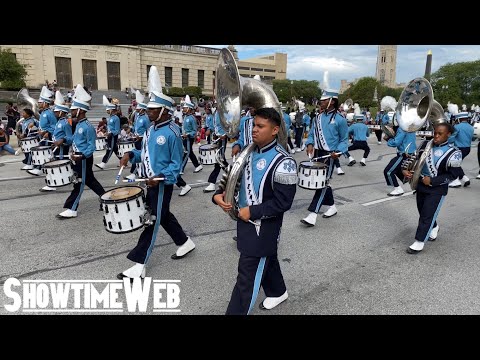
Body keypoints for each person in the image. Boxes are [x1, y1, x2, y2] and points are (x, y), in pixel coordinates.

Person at [213, 107, 297, 315]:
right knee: (267, 258)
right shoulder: (247, 153)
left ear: (275, 130)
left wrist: (253, 211)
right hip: (246, 223)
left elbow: (283, 202)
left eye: (261, 126)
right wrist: (218, 194)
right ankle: (278, 291)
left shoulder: (284, 162)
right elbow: (231, 178)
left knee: (246, 279)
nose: (254, 130)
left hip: (263, 229)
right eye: (254, 126)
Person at [118, 66, 196, 280]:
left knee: (152, 220)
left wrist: (161, 177)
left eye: (152, 109)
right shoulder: (151, 130)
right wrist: (130, 155)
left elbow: (176, 163)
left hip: (161, 184)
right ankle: (184, 242)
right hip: (150, 182)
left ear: (164, 111)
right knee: (164, 216)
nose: (148, 112)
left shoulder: (172, 132)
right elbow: (145, 154)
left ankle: (139, 264)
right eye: (148, 109)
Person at [402, 123, 462, 254]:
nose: (436, 136)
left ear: (448, 134)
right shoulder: (425, 145)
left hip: (437, 189)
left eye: (440, 134)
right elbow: (414, 158)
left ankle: (419, 241)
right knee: (423, 211)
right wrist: (405, 169)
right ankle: (434, 227)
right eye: (435, 133)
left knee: (427, 215)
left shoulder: (454, 153)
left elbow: (453, 175)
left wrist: (433, 181)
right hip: (421, 184)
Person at [300, 89, 348, 226]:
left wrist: (338, 152)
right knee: (321, 182)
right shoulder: (317, 118)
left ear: (332, 101)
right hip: (317, 153)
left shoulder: (340, 119)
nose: (321, 102)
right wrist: (309, 143)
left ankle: (312, 214)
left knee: (322, 183)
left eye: (324, 100)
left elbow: (345, 140)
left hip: (330, 155)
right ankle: (332, 206)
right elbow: (311, 134)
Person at [56, 84, 105, 219]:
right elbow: (74, 140)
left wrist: (81, 155)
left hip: (83, 159)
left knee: (79, 182)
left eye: (73, 110)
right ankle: (105, 199)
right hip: (78, 158)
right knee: (90, 181)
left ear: (80, 111)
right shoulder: (78, 124)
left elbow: (91, 146)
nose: (71, 112)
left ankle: (72, 208)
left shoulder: (88, 127)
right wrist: (63, 140)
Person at [40, 90, 73, 192]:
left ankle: (54, 184)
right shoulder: (60, 122)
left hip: (62, 148)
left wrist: (62, 141)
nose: (53, 112)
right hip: (57, 146)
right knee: (57, 164)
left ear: (61, 112)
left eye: (56, 111)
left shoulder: (65, 123)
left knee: (57, 165)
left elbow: (70, 138)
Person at [27, 86, 56, 176]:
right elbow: (42, 124)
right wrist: (35, 124)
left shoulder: (49, 113)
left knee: (44, 154)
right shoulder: (43, 112)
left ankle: (40, 169)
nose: (38, 104)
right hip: (43, 136)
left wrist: (46, 132)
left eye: (40, 102)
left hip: (48, 137)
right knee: (40, 153)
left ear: (45, 103)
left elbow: (54, 126)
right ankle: (38, 168)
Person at [383, 127, 417, 196]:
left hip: (404, 154)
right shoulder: (412, 128)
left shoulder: (402, 128)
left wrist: (388, 139)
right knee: (400, 171)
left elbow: (396, 142)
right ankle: (419, 187)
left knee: (388, 171)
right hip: (411, 153)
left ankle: (398, 189)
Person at [125, 91, 150, 181]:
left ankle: (133, 173)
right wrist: (130, 130)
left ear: (143, 109)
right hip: (137, 139)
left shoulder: (146, 118)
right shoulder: (138, 116)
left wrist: (142, 137)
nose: (137, 109)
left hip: (142, 140)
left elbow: (148, 130)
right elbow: (136, 127)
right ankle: (139, 172)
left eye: (138, 108)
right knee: (139, 156)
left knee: (140, 156)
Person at [447, 112, 474, 188]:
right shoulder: (470, 127)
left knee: (453, 164)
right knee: (457, 164)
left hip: (458, 148)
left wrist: (446, 140)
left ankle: (455, 181)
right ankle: (465, 178)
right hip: (467, 148)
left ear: (459, 119)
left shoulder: (457, 127)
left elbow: (452, 137)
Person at [203, 108, 227, 192]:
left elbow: (230, 124)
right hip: (217, 137)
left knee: (219, 159)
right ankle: (233, 175)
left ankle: (212, 182)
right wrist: (211, 130)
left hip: (222, 137)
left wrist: (225, 134)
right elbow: (215, 125)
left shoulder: (224, 111)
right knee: (221, 160)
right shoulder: (216, 112)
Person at [95, 96, 120, 169]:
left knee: (109, 150)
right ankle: (123, 161)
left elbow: (117, 130)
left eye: (108, 110)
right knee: (115, 149)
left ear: (112, 110)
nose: (107, 111)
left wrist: (111, 133)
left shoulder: (116, 118)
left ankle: (103, 163)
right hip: (109, 136)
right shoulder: (110, 118)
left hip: (112, 136)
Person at [180, 95, 203, 174]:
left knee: (187, 153)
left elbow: (194, 130)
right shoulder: (185, 117)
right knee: (189, 153)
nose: (183, 109)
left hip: (189, 138)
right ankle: (197, 165)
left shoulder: (192, 118)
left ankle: (181, 169)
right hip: (184, 138)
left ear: (189, 109)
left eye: (185, 108)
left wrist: (189, 134)